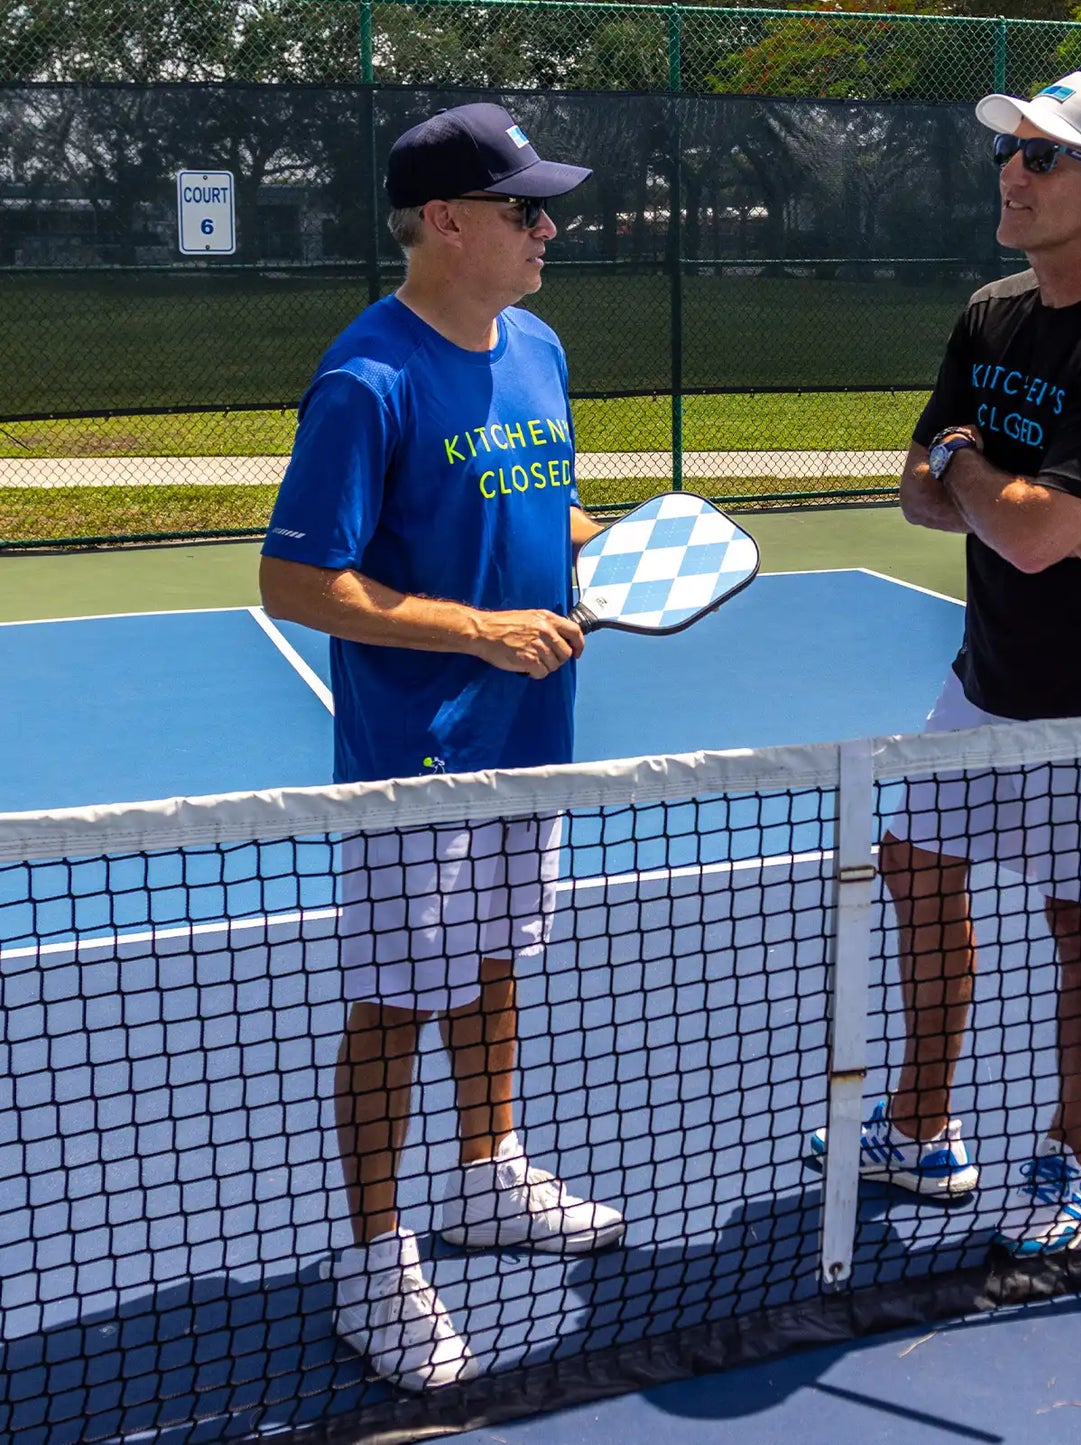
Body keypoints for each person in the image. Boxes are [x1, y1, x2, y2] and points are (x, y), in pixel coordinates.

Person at [810, 73, 1081, 1256]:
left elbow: (1018, 531)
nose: (1013, 173)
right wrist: (997, 490)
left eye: (1043, 158)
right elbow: (917, 498)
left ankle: (1073, 1154)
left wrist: (977, 473)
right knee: (914, 861)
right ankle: (920, 1128)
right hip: (984, 672)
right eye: (1012, 153)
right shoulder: (990, 314)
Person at [258, 101, 622, 1393]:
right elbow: (297, 582)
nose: (548, 228)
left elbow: (546, 495)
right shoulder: (367, 380)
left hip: (535, 734)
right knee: (400, 999)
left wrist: (613, 548)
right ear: (446, 222)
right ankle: (369, 1256)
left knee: (496, 961)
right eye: (525, 208)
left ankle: (486, 1172)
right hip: (418, 756)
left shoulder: (538, 347)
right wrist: (478, 631)